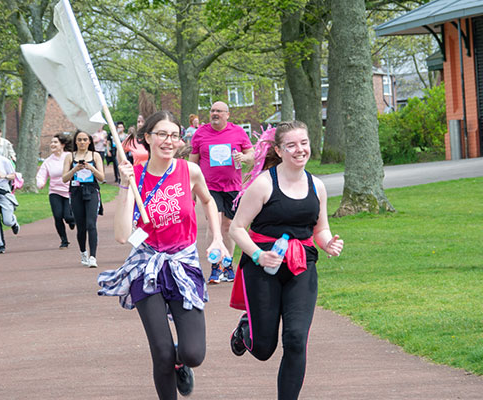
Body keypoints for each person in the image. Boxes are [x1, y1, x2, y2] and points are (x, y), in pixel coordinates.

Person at [98, 110, 229, 400]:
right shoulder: (136, 177)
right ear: (147, 138)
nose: (168, 141)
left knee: (193, 353)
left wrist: (218, 238)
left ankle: (182, 364)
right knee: (161, 352)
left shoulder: (188, 171)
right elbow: (122, 235)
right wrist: (124, 185)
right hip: (147, 267)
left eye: (173, 135)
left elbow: (208, 201)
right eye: (161, 134)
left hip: (183, 263)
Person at [226, 122, 344, 400]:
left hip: (302, 267)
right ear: (279, 150)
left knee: (295, 340)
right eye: (291, 145)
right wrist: (257, 254)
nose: (299, 150)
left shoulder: (317, 186)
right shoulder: (264, 184)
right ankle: (245, 331)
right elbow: (237, 229)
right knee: (264, 348)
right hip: (263, 268)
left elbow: (320, 227)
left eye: (303, 142)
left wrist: (328, 243)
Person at [189, 101, 253, 284]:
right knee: (213, 225)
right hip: (209, 187)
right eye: (212, 111)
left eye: (219, 111)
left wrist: (244, 157)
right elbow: (193, 163)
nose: (215, 113)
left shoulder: (238, 132)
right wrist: (191, 190)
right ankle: (215, 265)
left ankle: (228, 263)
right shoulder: (200, 133)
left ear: (227, 114)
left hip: (233, 186)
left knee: (228, 226)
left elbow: (252, 155)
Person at [62, 130, 105, 266]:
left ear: (89, 141)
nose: (82, 142)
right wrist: (75, 169)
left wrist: (91, 168)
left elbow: (102, 178)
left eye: (85, 139)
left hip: (92, 191)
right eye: (79, 140)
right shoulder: (70, 156)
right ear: (75, 141)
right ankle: (83, 253)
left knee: (91, 224)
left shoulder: (95, 155)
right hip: (76, 192)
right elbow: (64, 178)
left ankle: (93, 257)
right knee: (81, 227)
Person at [36, 133, 75, 249]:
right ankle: (64, 240)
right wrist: (40, 183)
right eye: (51, 142)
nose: (52, 144)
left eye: (55, 142)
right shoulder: (48, 161)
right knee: (58, 216)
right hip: (55, 192)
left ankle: (72, 221)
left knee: (68, 217)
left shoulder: (69, 156)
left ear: (62, 144)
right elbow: (41, 174)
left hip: (69, 191)